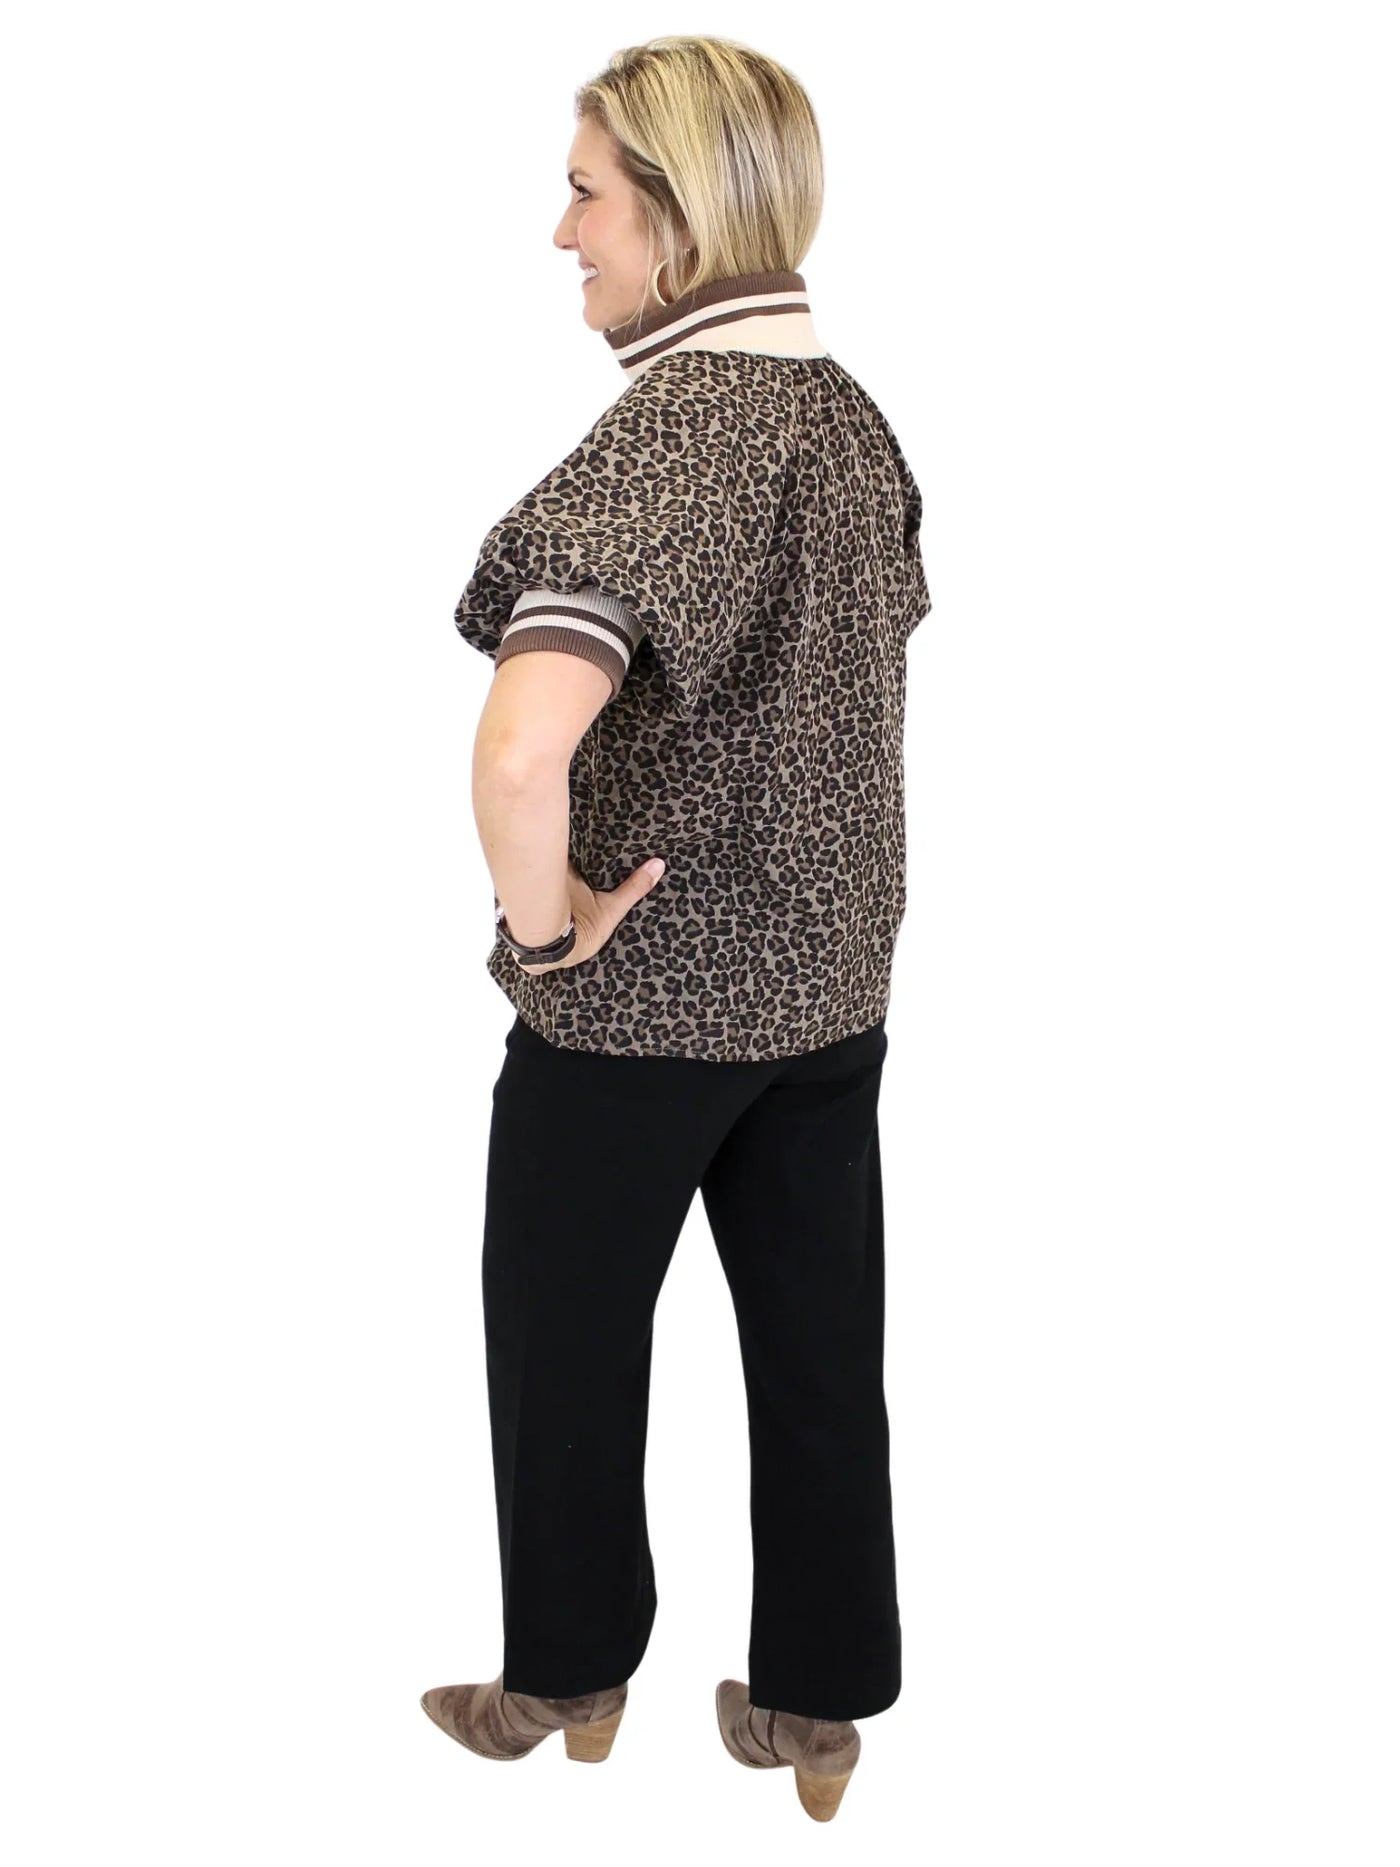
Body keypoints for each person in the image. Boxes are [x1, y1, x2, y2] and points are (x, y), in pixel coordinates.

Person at [420, 35, 930, 1823]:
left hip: (638, 1012)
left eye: (587, 194)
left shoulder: (671, 438)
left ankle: (566, 1675)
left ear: (681, 213)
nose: (564, 234)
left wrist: (545, 930)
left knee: (564, 1345)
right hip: (829, 994)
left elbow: (521, 749)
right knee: (821, 1355)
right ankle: (817, 1710)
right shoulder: (851, 420)